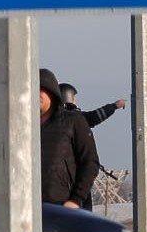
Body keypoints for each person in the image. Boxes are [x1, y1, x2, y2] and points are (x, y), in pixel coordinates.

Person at [40, 68, 100, 210]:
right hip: (26, 210)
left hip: (63, 209)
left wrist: (75, 200)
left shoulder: (73, 121)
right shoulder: (19, 126)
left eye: (40, 89)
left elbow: (90, 163)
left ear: (51, 92)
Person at [60, 82, 128, 129]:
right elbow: (93, 117)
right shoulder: (72, 118)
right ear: (67, 97)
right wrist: (114, 106)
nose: (75, 102)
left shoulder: (57, 117)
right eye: (74, 99)